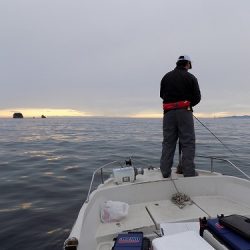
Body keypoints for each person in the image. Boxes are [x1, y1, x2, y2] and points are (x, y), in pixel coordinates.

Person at [160, 55, 201, 177]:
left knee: (168, 142)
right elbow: (197, 98)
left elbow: (162, 95)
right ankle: (189, 172)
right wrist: (186, 104)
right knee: (187, 142)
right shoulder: (191, 77)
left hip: (168, 114)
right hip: (184, 112)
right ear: (187, 64)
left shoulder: (166, 77)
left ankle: (165, 172)